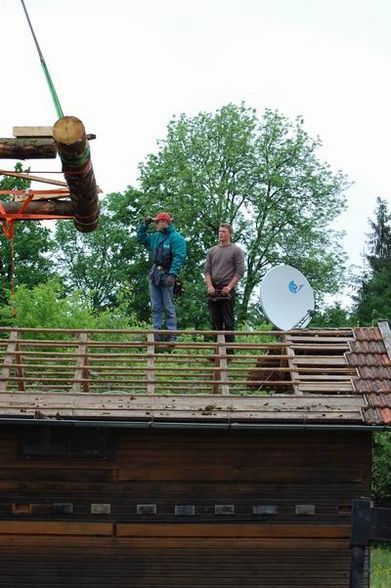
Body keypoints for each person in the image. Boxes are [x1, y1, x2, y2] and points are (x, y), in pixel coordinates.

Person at [136, 212, 186, 340]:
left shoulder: (176, 238)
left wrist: (173, 274)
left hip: (168, 273)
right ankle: (155, 334)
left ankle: (171, 335)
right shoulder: (155, 237)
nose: (156, 225)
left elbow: (179, 257)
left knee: (169, 306)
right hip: (155, 274)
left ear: (164, 223)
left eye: (157, 222)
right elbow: (141, 239)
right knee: (155, 306)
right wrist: (144, 226)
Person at [204, 223, 245, 349]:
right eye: (220, 231)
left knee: (228, 321)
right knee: (215, 322)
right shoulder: (212, 251)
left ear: (230, 234)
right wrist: (210, 286)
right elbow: (207, 271)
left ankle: (229, 352)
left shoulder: (236, 250)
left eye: (223, 231)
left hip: (227, 289)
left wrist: (230, 287)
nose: (220, 233)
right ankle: (217, 352)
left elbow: (240, 272)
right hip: (214, 289)